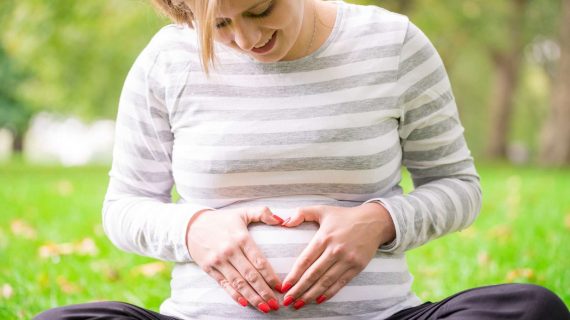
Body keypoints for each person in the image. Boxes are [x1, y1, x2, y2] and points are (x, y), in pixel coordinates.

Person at [35, 0, 570, 319]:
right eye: (219, 24)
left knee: (532, 311)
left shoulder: (393, 44)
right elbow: (125, 206)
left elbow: (458, 185)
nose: (248, 38)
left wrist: (380, 221)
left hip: (381, 317)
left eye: (261, 8)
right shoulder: (165, 60)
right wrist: (193, 228)